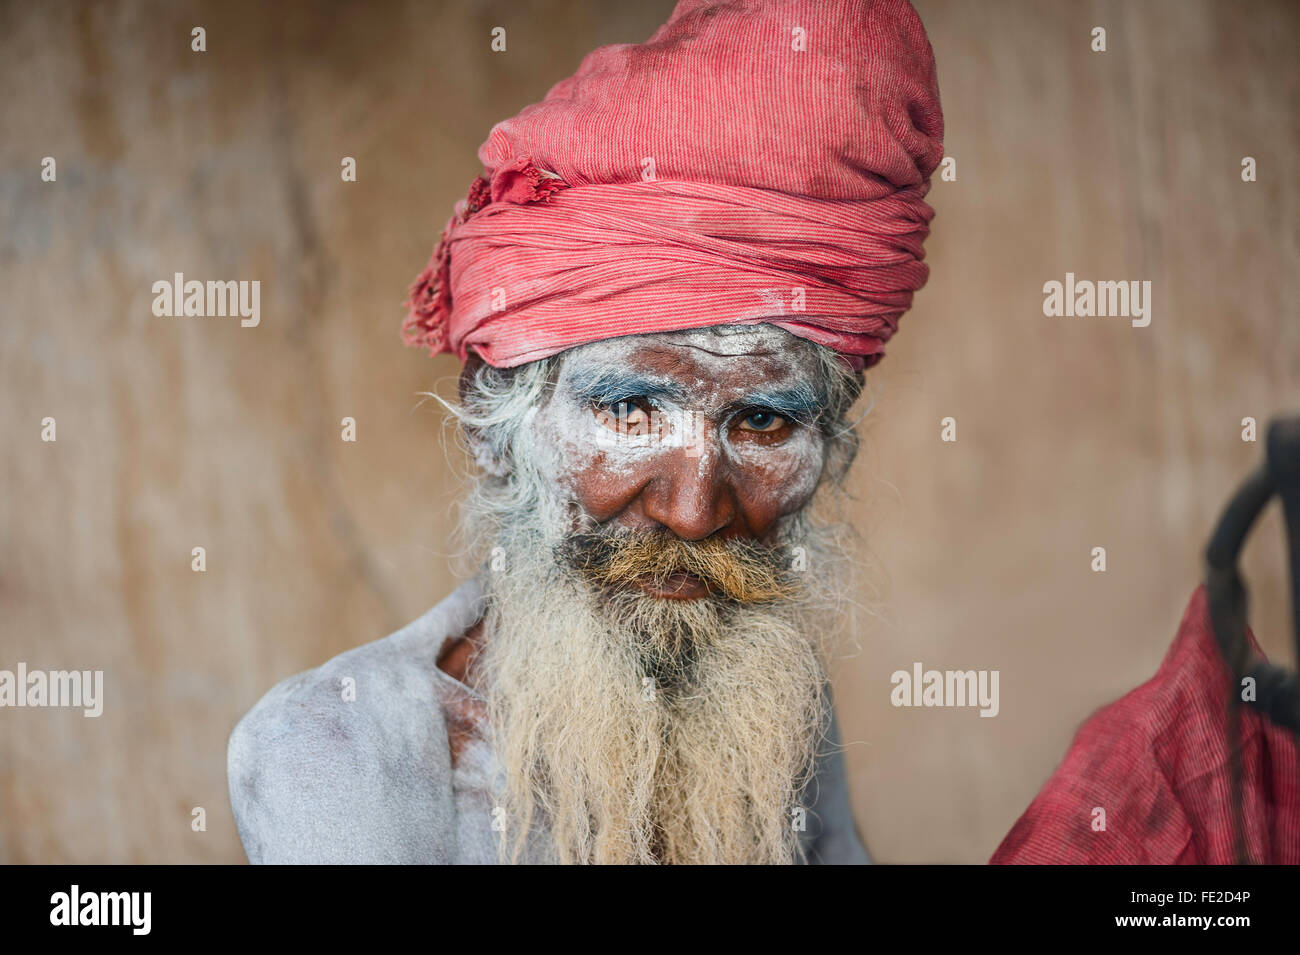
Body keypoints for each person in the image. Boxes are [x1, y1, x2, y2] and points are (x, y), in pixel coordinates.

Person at [227, 0, 944, 864]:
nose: (693, 509)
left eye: (761, 420)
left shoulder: (766, 693)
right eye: (631, 411)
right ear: (498, 425)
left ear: (827, 446)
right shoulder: (345, 753)